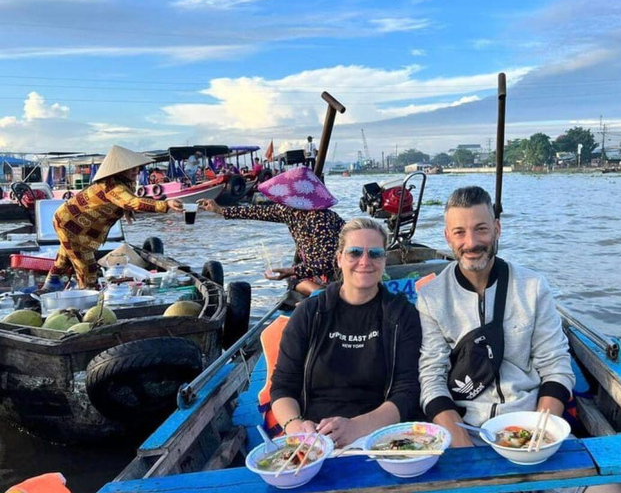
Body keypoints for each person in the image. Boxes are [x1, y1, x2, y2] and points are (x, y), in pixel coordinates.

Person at [417, 186, 575, 448]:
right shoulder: (432, 298)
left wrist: (536, 438)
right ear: (447, 237)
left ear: (497, 229)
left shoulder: (532, 286)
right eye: (460, 232)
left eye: (481, 228)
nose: (471, 243)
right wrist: (463, 447)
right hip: (465, 431)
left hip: (533, 422)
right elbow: (432, 376)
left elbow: (556, 366)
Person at [269, 217, 422, 447]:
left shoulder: (402, 315)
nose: (365, 261)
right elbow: (282, 385)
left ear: (384, 260)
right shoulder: (310, 314)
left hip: (381, 436)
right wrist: (297, 427)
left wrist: (357, 428)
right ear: (339, 258)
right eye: (354, 252)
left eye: (375, 253)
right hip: (314, 436)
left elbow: (407, 392)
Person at [42, 145, 184, 291]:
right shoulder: (112, 186)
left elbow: (129, 202)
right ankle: (88, 297)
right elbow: (132, 202)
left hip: (72, 222)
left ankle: (50, 286)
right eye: (132, 168)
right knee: (87, 267)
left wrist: (129, 210)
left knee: (64, 258)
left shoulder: (124, 184)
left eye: (137, 168)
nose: (136, 171)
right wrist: (165, 205)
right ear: (120, 170)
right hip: (71, 224)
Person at [197, 166, 344, 295]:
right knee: (293, 279)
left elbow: (331, 261)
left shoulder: (319, 218)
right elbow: (257, 212)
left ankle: (322, 294)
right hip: (314, 271)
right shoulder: (290, 211)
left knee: (294, 279)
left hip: (334, 274)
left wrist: (294, 271)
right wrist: (220, 210)